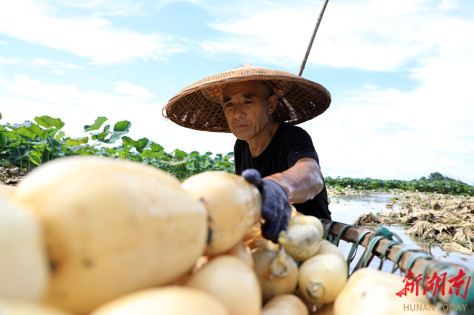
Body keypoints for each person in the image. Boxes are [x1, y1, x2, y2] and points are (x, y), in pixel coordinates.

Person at [164, 63, 332, 242]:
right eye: (229, 104)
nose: (236, 114)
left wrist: (278, 186)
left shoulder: (292, 137)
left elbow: (312, 175)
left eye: (247, 101)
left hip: (310, 238)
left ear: (271, 104)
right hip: (268, 239)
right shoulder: (241, 146)